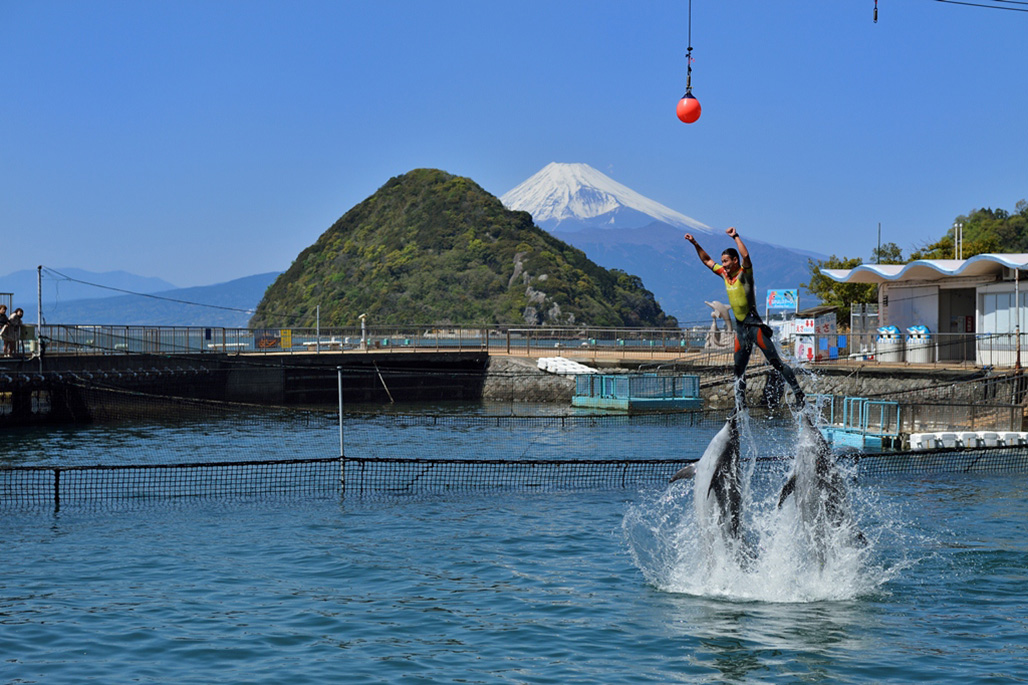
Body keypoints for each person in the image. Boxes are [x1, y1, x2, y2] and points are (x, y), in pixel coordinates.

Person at [685, 227, 806, 410]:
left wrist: (735, 237)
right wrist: (695, 243)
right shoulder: (725, 275)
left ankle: (799, 394)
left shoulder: (745, 274)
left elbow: (746, 256)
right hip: (740, 329)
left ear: (735, 261)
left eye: (726, 261)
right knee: (738, 371)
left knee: (776, 363)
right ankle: (740, 405)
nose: (723, 264)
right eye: (722, 262)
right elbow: (707, 260)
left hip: (754, 326)